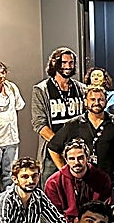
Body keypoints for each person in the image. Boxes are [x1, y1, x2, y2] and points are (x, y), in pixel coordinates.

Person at [48, 85, 114, 178]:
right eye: (93, 100)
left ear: (106, 102)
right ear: (85, 102)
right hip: (82, 181)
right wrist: (65, 171)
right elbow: (53, 148)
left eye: (101, 100)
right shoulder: (73, 125)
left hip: (111, 182)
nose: (97, 103)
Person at [30, 46, 86, 178]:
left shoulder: (81, 89)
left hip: (78, 153)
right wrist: (61, 146)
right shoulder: (41, 90)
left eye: (71, 63)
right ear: (55, 64)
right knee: (51, 191)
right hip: (52, 153)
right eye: (64, 62)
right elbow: (39, 125)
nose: (68, 66)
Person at [43, 139, 112, 223]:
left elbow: (105, 208)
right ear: (66, 160)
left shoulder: (102, 178)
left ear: (87, 158)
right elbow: (52, 213)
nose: (76, 162)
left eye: (80, 158)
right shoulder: (53, 182)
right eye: (72, 159)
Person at [0, 61, 25, 191]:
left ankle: (9, 202)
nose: (1, 76)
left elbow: (19, 105)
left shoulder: (11, 88)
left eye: (3, 73)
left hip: (11, 138)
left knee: (10, 174)